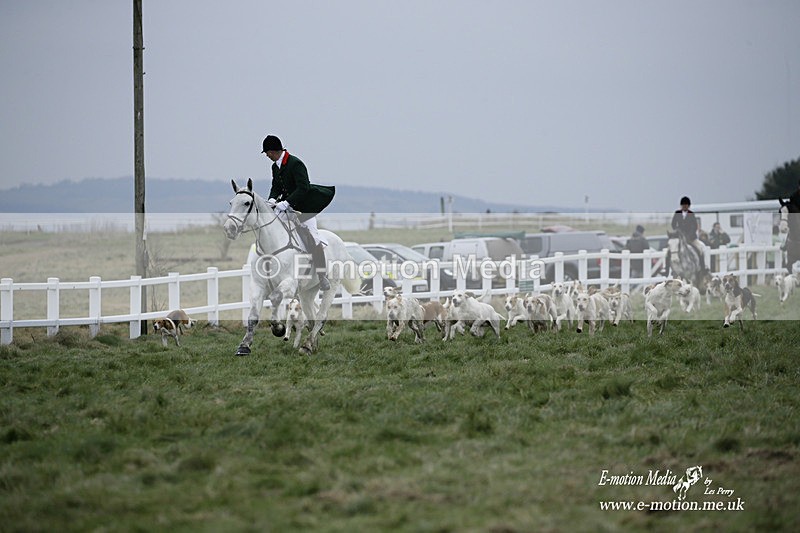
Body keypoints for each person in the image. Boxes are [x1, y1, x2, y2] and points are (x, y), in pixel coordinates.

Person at [262, 135, 335, 290]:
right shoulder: (275, 166)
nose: (267, 156)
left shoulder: (296, 164)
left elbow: (304, 188)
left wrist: (286, 202)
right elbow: (276, 186)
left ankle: (322, 276)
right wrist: (272, 200)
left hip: (304, 207)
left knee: (313, 237)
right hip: (285, 207)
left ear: (273, 151)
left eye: (267, 152)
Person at [670, 196, 705, 265]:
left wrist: (689, 235)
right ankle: (667, 269)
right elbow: (673, 224)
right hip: (680, 238)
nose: (684, 207)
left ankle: (703, 267)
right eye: (683, 205)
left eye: (686, 205)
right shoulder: (677, 213)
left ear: (688, 206)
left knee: (701, 248)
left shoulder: (691, 214)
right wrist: (677, 231)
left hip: (691, 238)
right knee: (669, 251)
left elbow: (694, 226)